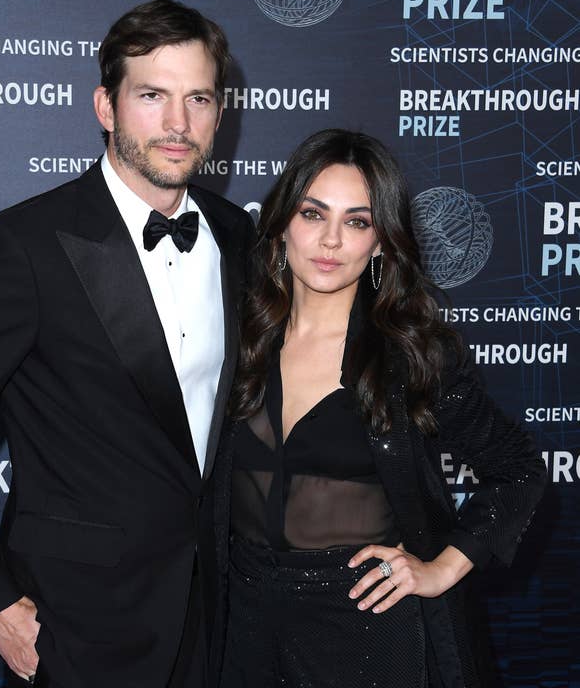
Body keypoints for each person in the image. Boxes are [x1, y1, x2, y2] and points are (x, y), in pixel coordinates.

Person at [0, 0, 254, 688]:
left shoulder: (239, 237)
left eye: (198, 97)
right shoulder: (24, 248)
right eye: (152, 96)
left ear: (219, 111)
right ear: (106, 107)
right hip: (78, 626)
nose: (178, 124)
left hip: (219, 618)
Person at [214, 129, 547, 687]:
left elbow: (518, 471)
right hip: (241, 621)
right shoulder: (235, 337)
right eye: (313, 213)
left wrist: (442, 568)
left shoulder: (410, 355)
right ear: (281, 226)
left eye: (357, 221)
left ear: (381, 243)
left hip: (364, 624)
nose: (330, 240)